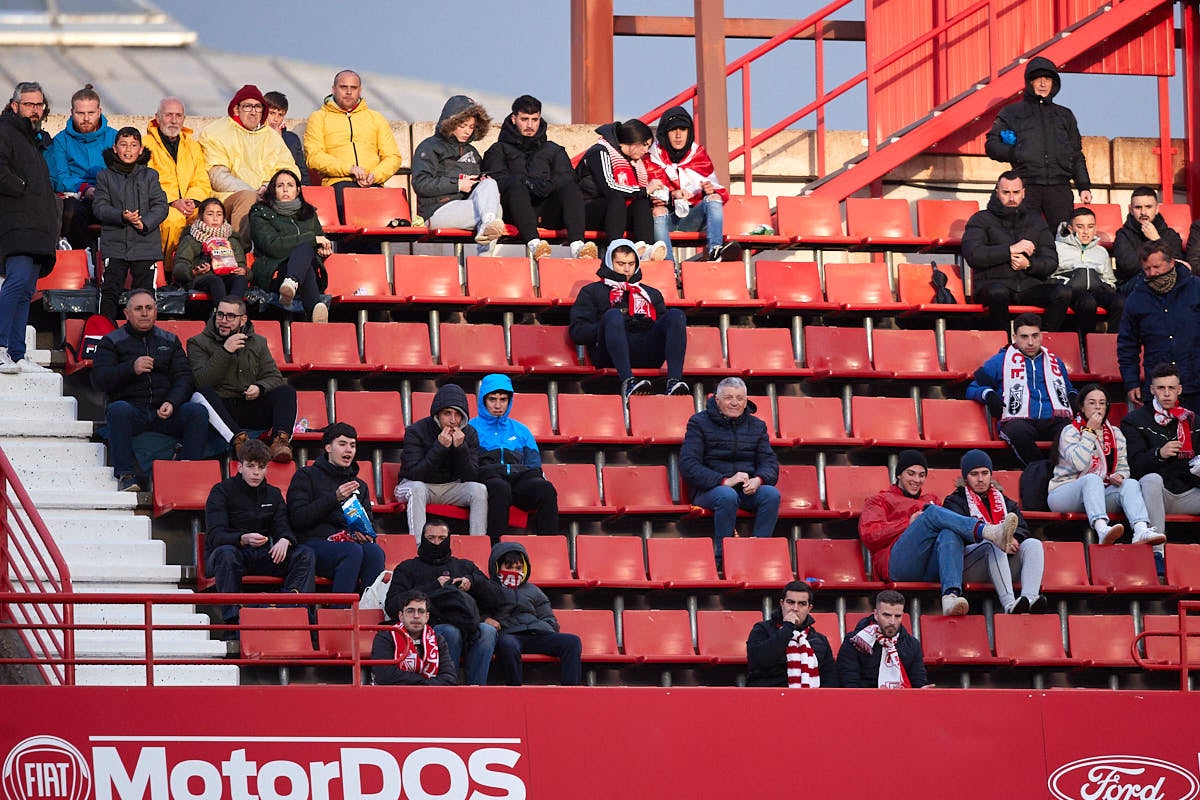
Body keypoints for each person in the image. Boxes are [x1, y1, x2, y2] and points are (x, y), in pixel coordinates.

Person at [859, 449, 1017, 616]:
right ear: (899, 474)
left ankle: (950, 597)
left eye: (921, 475)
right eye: (910, 474)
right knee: (932, 512)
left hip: (929, 566)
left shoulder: (930, 499)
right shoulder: (880, 500)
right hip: (897, 566)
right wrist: (908, 523)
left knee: (949, 532)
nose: (916, 480)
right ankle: (987, 531)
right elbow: (870, 535)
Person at [90, 289, 208, 492]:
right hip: (133, 411)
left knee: (197, 412)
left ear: (156, 311)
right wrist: (130, 368)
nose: (144, 313)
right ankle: (126, 476)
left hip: (165, 412)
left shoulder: (170, 340)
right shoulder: (111, 341)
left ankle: (187, 472)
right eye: (138, 309)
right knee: (118, 410)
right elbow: (100, 380)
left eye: (149, 308)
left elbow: (185, 377)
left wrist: (172, 402)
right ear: (127, 314)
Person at [204, 438, 315, 632]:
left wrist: (284, 539)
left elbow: (283, 525)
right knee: (226, 554)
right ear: (239, 467)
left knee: (305, 553)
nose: (256, 472)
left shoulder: (273, 494)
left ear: (267, 469)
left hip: (262, 554)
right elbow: (214, 536)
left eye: (261, 467)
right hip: (231, 553)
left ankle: (290, 609)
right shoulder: (221, 491)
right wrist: (242, 538)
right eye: (250, 466)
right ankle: (233, 623)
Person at [384, 519, 505, 685]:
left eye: (441, 538)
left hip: (468, 625)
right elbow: (392, 605)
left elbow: (498, 598)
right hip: (430, 627)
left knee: (487, 631)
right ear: (423, 538)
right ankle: (448, 687)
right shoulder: (407, 568)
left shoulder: (464, 566)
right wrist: (434, 586)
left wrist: (473, 582)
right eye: (431, 538)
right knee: (450, 632)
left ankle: (476, 689)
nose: (436, 543)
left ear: (449, 539)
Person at [568, 239, 688, 401]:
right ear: (610, 262)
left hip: (646, 350)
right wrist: (612, 323)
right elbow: (578, 332)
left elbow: (665, 328)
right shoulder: (592, 291)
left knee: (675, 315)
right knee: (613, 315)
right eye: (621, 263)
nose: (626, 269)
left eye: (631, 264)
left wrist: (647, 323)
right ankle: (628, 381)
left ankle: (674, 381)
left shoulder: (650, 293)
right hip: (609, 354)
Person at [1047, 383, 1164, 546]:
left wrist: (1120, 476)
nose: (1097, 408)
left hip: (1098, 493)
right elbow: (1079, 464)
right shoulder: (1070, 431)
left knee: (1130, 484)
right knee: (1092, 479)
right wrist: (1089, 432)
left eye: (1102, 403)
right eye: (1092, 403)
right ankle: (1102, 530)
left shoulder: (1115, 433)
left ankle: (1140, 530)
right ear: (1082, 406)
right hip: (1064, 493)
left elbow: (1124, 468)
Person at [482, 94, 596, 261]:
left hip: (547, 210)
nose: (530, 125)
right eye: (525, 119)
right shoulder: (499, 149)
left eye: (534, 119)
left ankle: (578, 246)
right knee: (516, 187)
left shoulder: (553, 149)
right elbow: (495, 180)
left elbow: (568, 177)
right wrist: (525, 182)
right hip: (513, 211)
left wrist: (548, 185)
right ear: (514, 119)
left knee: (570, 188)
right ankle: (535, 244)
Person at [985, 57, 1092, 233]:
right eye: (1038, 78)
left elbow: (1076, 153)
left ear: (1054, 83)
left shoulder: (1065, 115)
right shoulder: (1012, 113)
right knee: (1025, 237)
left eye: (1048, 79)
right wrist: (1015, 152)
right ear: (1029, 82)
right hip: (1026, 186)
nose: (1043, 83)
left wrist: (1084, 186)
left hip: (1060, 188)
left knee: (1062, 238)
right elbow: (991, 146)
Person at [679, 376, 780, 561]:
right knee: (727, 495)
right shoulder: (698, 423)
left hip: (745, 490)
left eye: (740, 398)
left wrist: (759, 479)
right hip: (709, 490)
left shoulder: (757, 426)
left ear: (746, 400)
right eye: (728, 398)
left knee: (771, 494)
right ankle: (723, 559)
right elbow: (689, 465)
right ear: (717, 400)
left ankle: (759, 555)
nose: (735, 403)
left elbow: (770, 463)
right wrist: (724, 481)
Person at [187, 296, 296, 462]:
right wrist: (225, 351)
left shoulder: (258, 342)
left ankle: (280, 442)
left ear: (243, 320)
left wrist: (260, 388)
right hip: (219, 408)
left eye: (230, 316)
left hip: (248, 405)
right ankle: (241, 442)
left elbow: (274, 377)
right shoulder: (197, 342)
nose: (223, 321)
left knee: (286, 391)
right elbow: (201, 381)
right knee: (202, 393)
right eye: (220, 315)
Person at [286, 422, 386, 596]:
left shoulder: (360, 485)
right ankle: (339, 612)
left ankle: (369, 611)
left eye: (353, 445)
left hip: (348, 546)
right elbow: (298, 518)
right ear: (328, 447)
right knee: (351, 550)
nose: (348, 450)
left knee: (375, 552)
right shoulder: (306, 475)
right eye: (342, 444)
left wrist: (364, 533)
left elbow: (367, 521)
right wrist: (334, 498)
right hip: (312, 544)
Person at [942, 449, 1047, 614]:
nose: (980, 479)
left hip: (1002, 563)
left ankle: (1029, 599)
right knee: (992, 542)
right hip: (970, 565)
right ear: (965, 477)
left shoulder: (1004, 500)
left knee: (1033, 544)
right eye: (974, 474)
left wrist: (1012, 537)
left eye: (985, 473)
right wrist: (1000, 539)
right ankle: (1009, 605)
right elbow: (957, 534)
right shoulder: (954, 501)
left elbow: (1023, 528)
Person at [962, 171, 1069, 331]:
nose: (1012, 198)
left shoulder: (1036, 220)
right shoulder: (981, 219)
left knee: (1063, 292)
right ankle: (1005, 346)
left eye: (1016, 192)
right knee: (998, 293)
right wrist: (1009, 250)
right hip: (993, 285)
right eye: (1006, 193)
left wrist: (1029, 265)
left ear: (1023, 193)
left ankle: (1045, 341)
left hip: (1029, 287)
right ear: (997, 192)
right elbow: (973, 255)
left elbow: (1051, 261)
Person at [966, 312, 1076, 466]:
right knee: (1017, 432)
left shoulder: (1055, 362)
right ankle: (1043, 472)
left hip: (1053, 418)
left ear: (1041, 336)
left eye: (1035, 336)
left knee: (1071, 431)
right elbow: (972, 387)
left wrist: (1074, 397)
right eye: (1024, 337)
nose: (1030, 342)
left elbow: (1069, 389)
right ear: (1014, 337)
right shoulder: (1000, 361)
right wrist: (988, 394)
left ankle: (1058, 473)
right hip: (1018, 420)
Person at [0, 81, 57, 375]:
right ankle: (0, 347)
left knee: (26, 291)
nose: (35, 111)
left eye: (39, 105)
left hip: (37, 227)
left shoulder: (34, 139)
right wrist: (21, 187)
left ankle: (16, 352)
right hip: (16, 224)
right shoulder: (5, 130)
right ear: (15, 105)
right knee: (17, 282)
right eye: (29, 105)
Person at [197, 85, 298, 244]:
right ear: (236, 109)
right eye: (248, 106)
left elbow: (289, 169)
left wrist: (267, 187)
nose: (253, 111)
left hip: (266, 193)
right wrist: (254, 192)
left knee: (292, 195)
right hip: (228, 197)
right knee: (248, 198)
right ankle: (240, 253)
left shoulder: (272, 137)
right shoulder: (216, 132)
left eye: (258, 107)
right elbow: (217, 175)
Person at [468, 373, 559, 541]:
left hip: (518, 481)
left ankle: (549, 546)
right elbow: (468, 466)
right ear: (483, 400)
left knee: (545, 489)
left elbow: (534, 466)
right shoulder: (471, 428)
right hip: (489, 480)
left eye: (503, 400)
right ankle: (495, 547)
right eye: (492, 399)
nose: (498, 405)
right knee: (500, 488)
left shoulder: (521, 430)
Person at [1122, 364, 1200, 557]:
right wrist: (1159, 454)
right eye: (1161, 388)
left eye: (1171, 388)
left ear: (1179, 390)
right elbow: (1134, 466)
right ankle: (1157, 553)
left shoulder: (1193, 420)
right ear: (1152, 390)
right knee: (1151, 479)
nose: (1166, 393)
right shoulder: (1134, 420)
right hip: (1155, 493)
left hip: (1187, 490)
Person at [91, 127, 168, 322]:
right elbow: (99, 207)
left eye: (133, 145)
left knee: (145, 296)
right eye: (123, 145)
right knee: (109, 291)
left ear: (140, 149)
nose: (128, 150)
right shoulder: (104, 176)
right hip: (115, 246)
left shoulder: (150, 175)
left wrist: (144, 223)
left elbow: (161, 206)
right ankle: (104, 333)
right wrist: (121, 216)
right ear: (115, 148)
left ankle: (145, 336)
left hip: (145, 245)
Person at [411, 95, 504, 255]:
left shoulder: (472, 152)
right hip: (437, 210)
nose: (468, 131)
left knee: (490, 186)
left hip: (465, 206)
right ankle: (484, 258)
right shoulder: (429, 146)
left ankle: (486, 234)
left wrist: (480, 180)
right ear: (451, 122)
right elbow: (420, 183)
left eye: (472, 126)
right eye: (463, 125)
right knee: (494, 212)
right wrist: (458, 184)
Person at [645, 105, 738, 263]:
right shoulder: (650, 158)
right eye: (673, 130)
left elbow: (719, 190)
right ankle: (669, 267)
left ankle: (715, 250)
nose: (679, 135)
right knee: (658, 211)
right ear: (664, 133)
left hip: (691, 218)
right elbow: (642, 193)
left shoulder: (699, 155)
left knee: (714, 198)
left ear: (690, 132)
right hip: (664, 221)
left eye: (683, 129)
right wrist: (670, 195)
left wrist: (705, 191)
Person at [395, 383, 487, 538]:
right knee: (416, 489)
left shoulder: (469, 433)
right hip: (416, 485)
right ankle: (418, 546)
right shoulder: (416, 431)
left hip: (450, 487)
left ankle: (477, 543)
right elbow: (414, 474)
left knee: (479, 490)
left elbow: (471, 476)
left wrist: (460, 449)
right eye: (447, 413)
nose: (453, 420)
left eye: (458, 415)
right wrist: (439, 447)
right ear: (437, 414)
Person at [484, 541, 582, 686]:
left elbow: (549, 617)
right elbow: (478, 613)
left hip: (536, 634)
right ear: (497, 567)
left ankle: (570, 691)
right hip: (509, 636)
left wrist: (541, 628)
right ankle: (515, 691)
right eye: (509, 567)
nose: (514, 571)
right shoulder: (488, 589)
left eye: (518, 567)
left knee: (572, 641)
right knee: (507, 645)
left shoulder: (533, 590)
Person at [1118, 241, 1200, 412]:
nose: (1152, 273)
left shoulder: (1196, 288)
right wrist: (1131, 382)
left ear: (1171, 262)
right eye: (1146, 269)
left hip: (1195, 383)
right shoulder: (1135, 298)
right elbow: (1127, 345)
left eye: (1156, 266)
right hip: (1157, 388)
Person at [304, 70, 402, 210]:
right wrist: (349, 169)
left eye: (353, 88)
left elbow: (393, 157)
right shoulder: (319, 117)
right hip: (337, 184)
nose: (349, 92)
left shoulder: (376, 118)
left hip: (373, 184)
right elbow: (314, 157)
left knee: (394, 217)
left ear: (360, 91)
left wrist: (374, 176)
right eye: (343, 87)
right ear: (333, 89)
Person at [576, 119, 668, 260]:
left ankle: (645, 248)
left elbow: (634, 191)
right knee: (617, 199)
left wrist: (652, 197)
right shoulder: (600, 151)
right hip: (589, 210)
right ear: (633, 139)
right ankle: (615, 249)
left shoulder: (632, 161)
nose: (646, 151)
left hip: (616, 214)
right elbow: (609, 187)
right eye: (644, 145)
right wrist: (644, 190)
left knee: (642, 202)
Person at [249, 168, 332, 323]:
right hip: (273, 271)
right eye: (280, 185)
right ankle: (314, 310)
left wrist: (323, 250)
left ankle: (291, 283)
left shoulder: (309, 213)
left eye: (290, 185)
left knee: (306, 254)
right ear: (273, 190)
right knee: (306, 248)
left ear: (298, 190)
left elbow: (319, 240)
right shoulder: (260, 213)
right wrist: (312, 240)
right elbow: (272, 246)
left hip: (305, 269)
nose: (285, 189)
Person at [143, 97, 212, 270]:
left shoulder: (193, 146)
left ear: (183, 119)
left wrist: (192, 201)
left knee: (209, 218)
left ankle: (201, 270)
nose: (173, 120)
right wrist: (173, 201)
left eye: (178, 116)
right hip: (160, 204)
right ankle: (167, 271)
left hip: (190, 203)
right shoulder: (145, 144)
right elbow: (147, 180)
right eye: (168, 115)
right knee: (173, 220)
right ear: (157, 118)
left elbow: (201, 180)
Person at [45, 84, 117, 249]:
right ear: (71, 113)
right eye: (80, 113)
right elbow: (61, 177)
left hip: (109, 196)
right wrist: (85, 188)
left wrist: (105, 190)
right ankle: (84, 256)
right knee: (70, 211)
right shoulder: (60, 140)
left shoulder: (114, 137)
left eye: (91, 113)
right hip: (78, 197)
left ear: (99, 111)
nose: (86, 118)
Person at [745, 580, 837, 687]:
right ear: (782, 604)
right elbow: (759, 661)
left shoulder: (819, 640)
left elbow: (830, 680)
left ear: (809, 608)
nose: (795, 608)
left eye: (802, 604)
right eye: (790, 602)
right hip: (769, 698)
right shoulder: (762, 630)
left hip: (809, 700)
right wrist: (787, 628)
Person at [836, 590, 928, 689]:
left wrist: (922, 690)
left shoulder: (912, 644)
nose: (892, 621)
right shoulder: (854, 641)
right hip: (864, 701)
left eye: (897, 616)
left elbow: (918, 682)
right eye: (886, 615)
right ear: (876, 614)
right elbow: (849, 685)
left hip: (903, 701)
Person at [170, 197, 249, 310]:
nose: (215, 219)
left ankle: (234, 312)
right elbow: (179, 266)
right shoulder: (191, 239)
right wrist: (193, 271)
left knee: (240, 279)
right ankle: (223, 314)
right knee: (215, 280)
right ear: (201, 217)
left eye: (219, 214)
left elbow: (242, 264)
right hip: (201, 278)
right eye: (210, 214)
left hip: (227, 276)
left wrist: (243, 271)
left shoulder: (231, 239)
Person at [1053, 207, 1122, 334]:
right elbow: (1050, 276)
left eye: (1090, 226)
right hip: (1071, 292)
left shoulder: (1101, 251)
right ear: (1070, 228)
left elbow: (1110, 280)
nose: (1086, 232)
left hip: (1096, 291)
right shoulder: (1057, 248)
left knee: (1120, 302)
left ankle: (1114, 345)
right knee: (1088, 303)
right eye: (1080, 227)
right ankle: (1084, 346)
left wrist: (1106, 286)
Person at [370, 590, 458, 686]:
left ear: (427, 617)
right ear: (401, 616)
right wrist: (424, 683)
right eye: (410, 611)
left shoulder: (438, 640)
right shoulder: (385, 637)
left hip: (430, 697)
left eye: (421, 611)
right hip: (395, 697)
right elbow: (385, 675)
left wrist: (422, 685)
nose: (416, 616)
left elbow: (450, 677)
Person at [1112, 187, 1184, 292]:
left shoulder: (1170, 234)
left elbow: (1176, 265)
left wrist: (1157, 240)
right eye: (1138, 207)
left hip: (1167, 285)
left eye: (1148, 207)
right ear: (1130, 210)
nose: (1143, 212)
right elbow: (1129, 267)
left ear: (1157, 209)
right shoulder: (1123, 235)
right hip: (1133, 287)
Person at [262, 91, 308, 187]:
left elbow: (303, 172)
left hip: (290, 188)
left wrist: (304, 187)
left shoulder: (291, 139)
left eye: (280, 115)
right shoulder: (255, 136)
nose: (276, 118)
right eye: (272, 113)